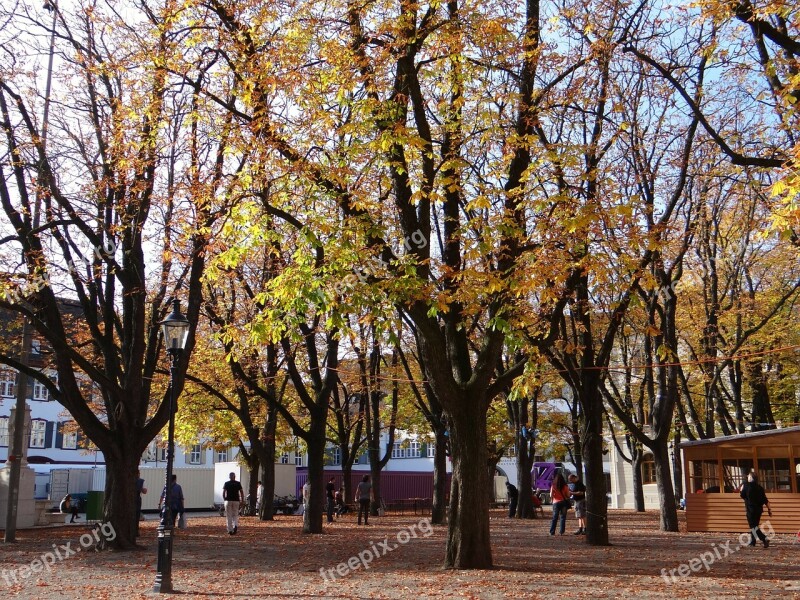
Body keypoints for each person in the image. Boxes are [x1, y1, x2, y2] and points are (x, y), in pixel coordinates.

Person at [740, 471, 772, 548]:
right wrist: (769, 509)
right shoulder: (760, 487)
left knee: (753, 527)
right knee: (755, 526)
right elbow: (765, 500)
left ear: (750, 478)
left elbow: (742, 495)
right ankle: (752, 542)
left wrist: (741, 490)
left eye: (748, 476)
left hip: (750, 510)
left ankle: (764, 538)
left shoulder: (746, 485)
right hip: (758, 510)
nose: (747, 477)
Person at [135, 470, 148, 536]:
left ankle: (135, 530)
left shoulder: (141, 481)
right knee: (136, 515)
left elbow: (145, 491)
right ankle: (135, 531)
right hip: (137, 499)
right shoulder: (141, 481)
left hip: (136, 498)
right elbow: (145, 491)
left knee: (136, 515)